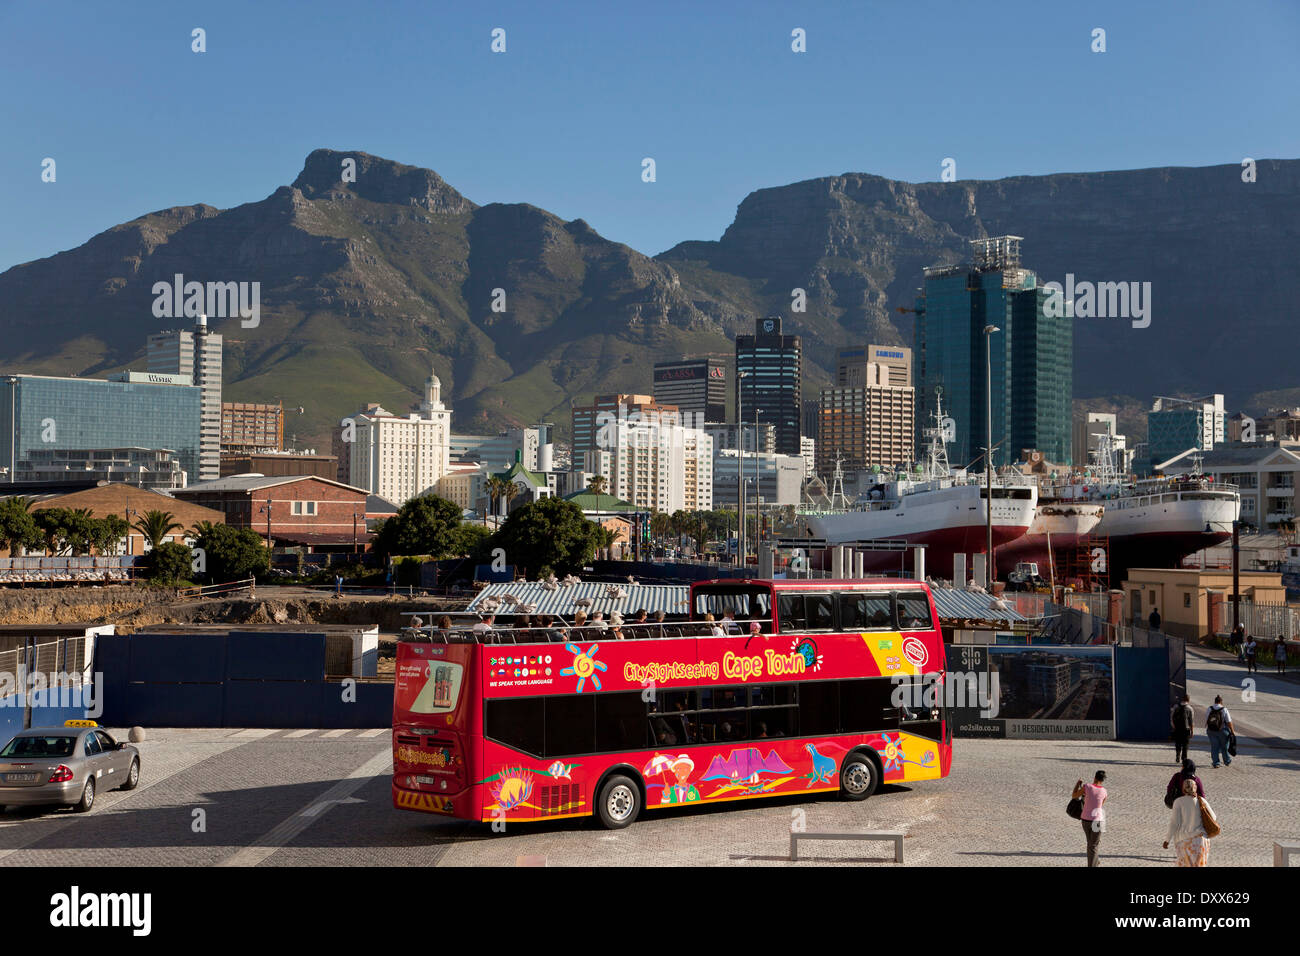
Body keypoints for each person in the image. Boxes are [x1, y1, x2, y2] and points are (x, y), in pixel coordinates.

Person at [1163, 778, 1211, 867]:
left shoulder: (1178, 802)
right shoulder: (1201, 801)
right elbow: (1213, 817)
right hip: (1201, 840)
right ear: (1195, 788)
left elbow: (1174, 823)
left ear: (1183, 789)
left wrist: (1167, 840)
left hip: (1184, 841)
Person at [1072, 771, 1108, 867]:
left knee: (1091, 845)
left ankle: (1094, 862)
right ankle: (1094, 863)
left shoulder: (1087, 787)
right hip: (1097, 821)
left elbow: (1074, 795)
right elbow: (1100, 805)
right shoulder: (1104, 791)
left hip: (1085, 820)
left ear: (1095, 777)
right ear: (1103, 780)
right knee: (1093, 845)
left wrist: (1077, 785)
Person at [1205, 695, 1235, 768]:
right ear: (1221, 702)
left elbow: (1207, 719)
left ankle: (1216, 763)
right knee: (1224, 746)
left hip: (1211, 731)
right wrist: (1232, 731)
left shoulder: (1209, 708)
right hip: (1222, 731)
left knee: (1214, 747)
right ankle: (1227, 761)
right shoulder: (1224, 709)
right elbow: (1228, 721)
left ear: (1215, 701)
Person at [1170, 693, 1195, 764]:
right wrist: (1192, 731)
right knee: (1185, 744)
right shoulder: (1190, 708)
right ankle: (1184, 758)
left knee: (1177, 743)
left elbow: (1172, 717)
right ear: (1188, 700)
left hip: (1177, 728)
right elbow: (1191, 721)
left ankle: (1177, 755)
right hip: (1186, 729)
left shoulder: (1176, 706)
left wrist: (1174, 726)